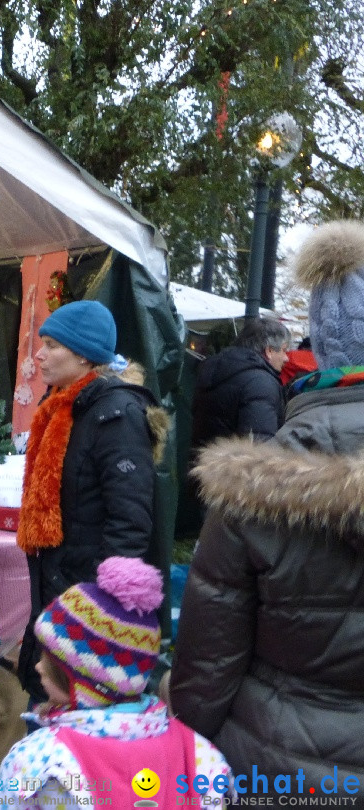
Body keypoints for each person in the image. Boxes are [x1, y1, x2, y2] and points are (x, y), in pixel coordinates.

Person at [171, 219, 364, 793]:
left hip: (277, 768)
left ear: (318, 351)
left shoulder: (249, 488)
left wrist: (190, 757)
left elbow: (206, 668)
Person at [0, 557, 234, 808]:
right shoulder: (198, 755)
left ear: (88, 687)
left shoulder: (41, 762)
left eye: (52, 664)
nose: (38, 667)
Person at [14, 300, 167, 703]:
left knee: (73, 723)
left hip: (87, 607)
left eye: (51, 345)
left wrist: (101, 609)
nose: (40, 354)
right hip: (61, 591)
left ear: (83, 354)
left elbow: (130, 520)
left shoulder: (115, 414)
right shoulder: (66, 407)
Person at [189, 316, 290, 449]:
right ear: (269, 351)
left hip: (205, 465)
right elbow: (261, 446)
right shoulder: (261, 382)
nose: (286, 358)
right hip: (237, 468)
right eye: (284, 350)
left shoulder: (215, 370)